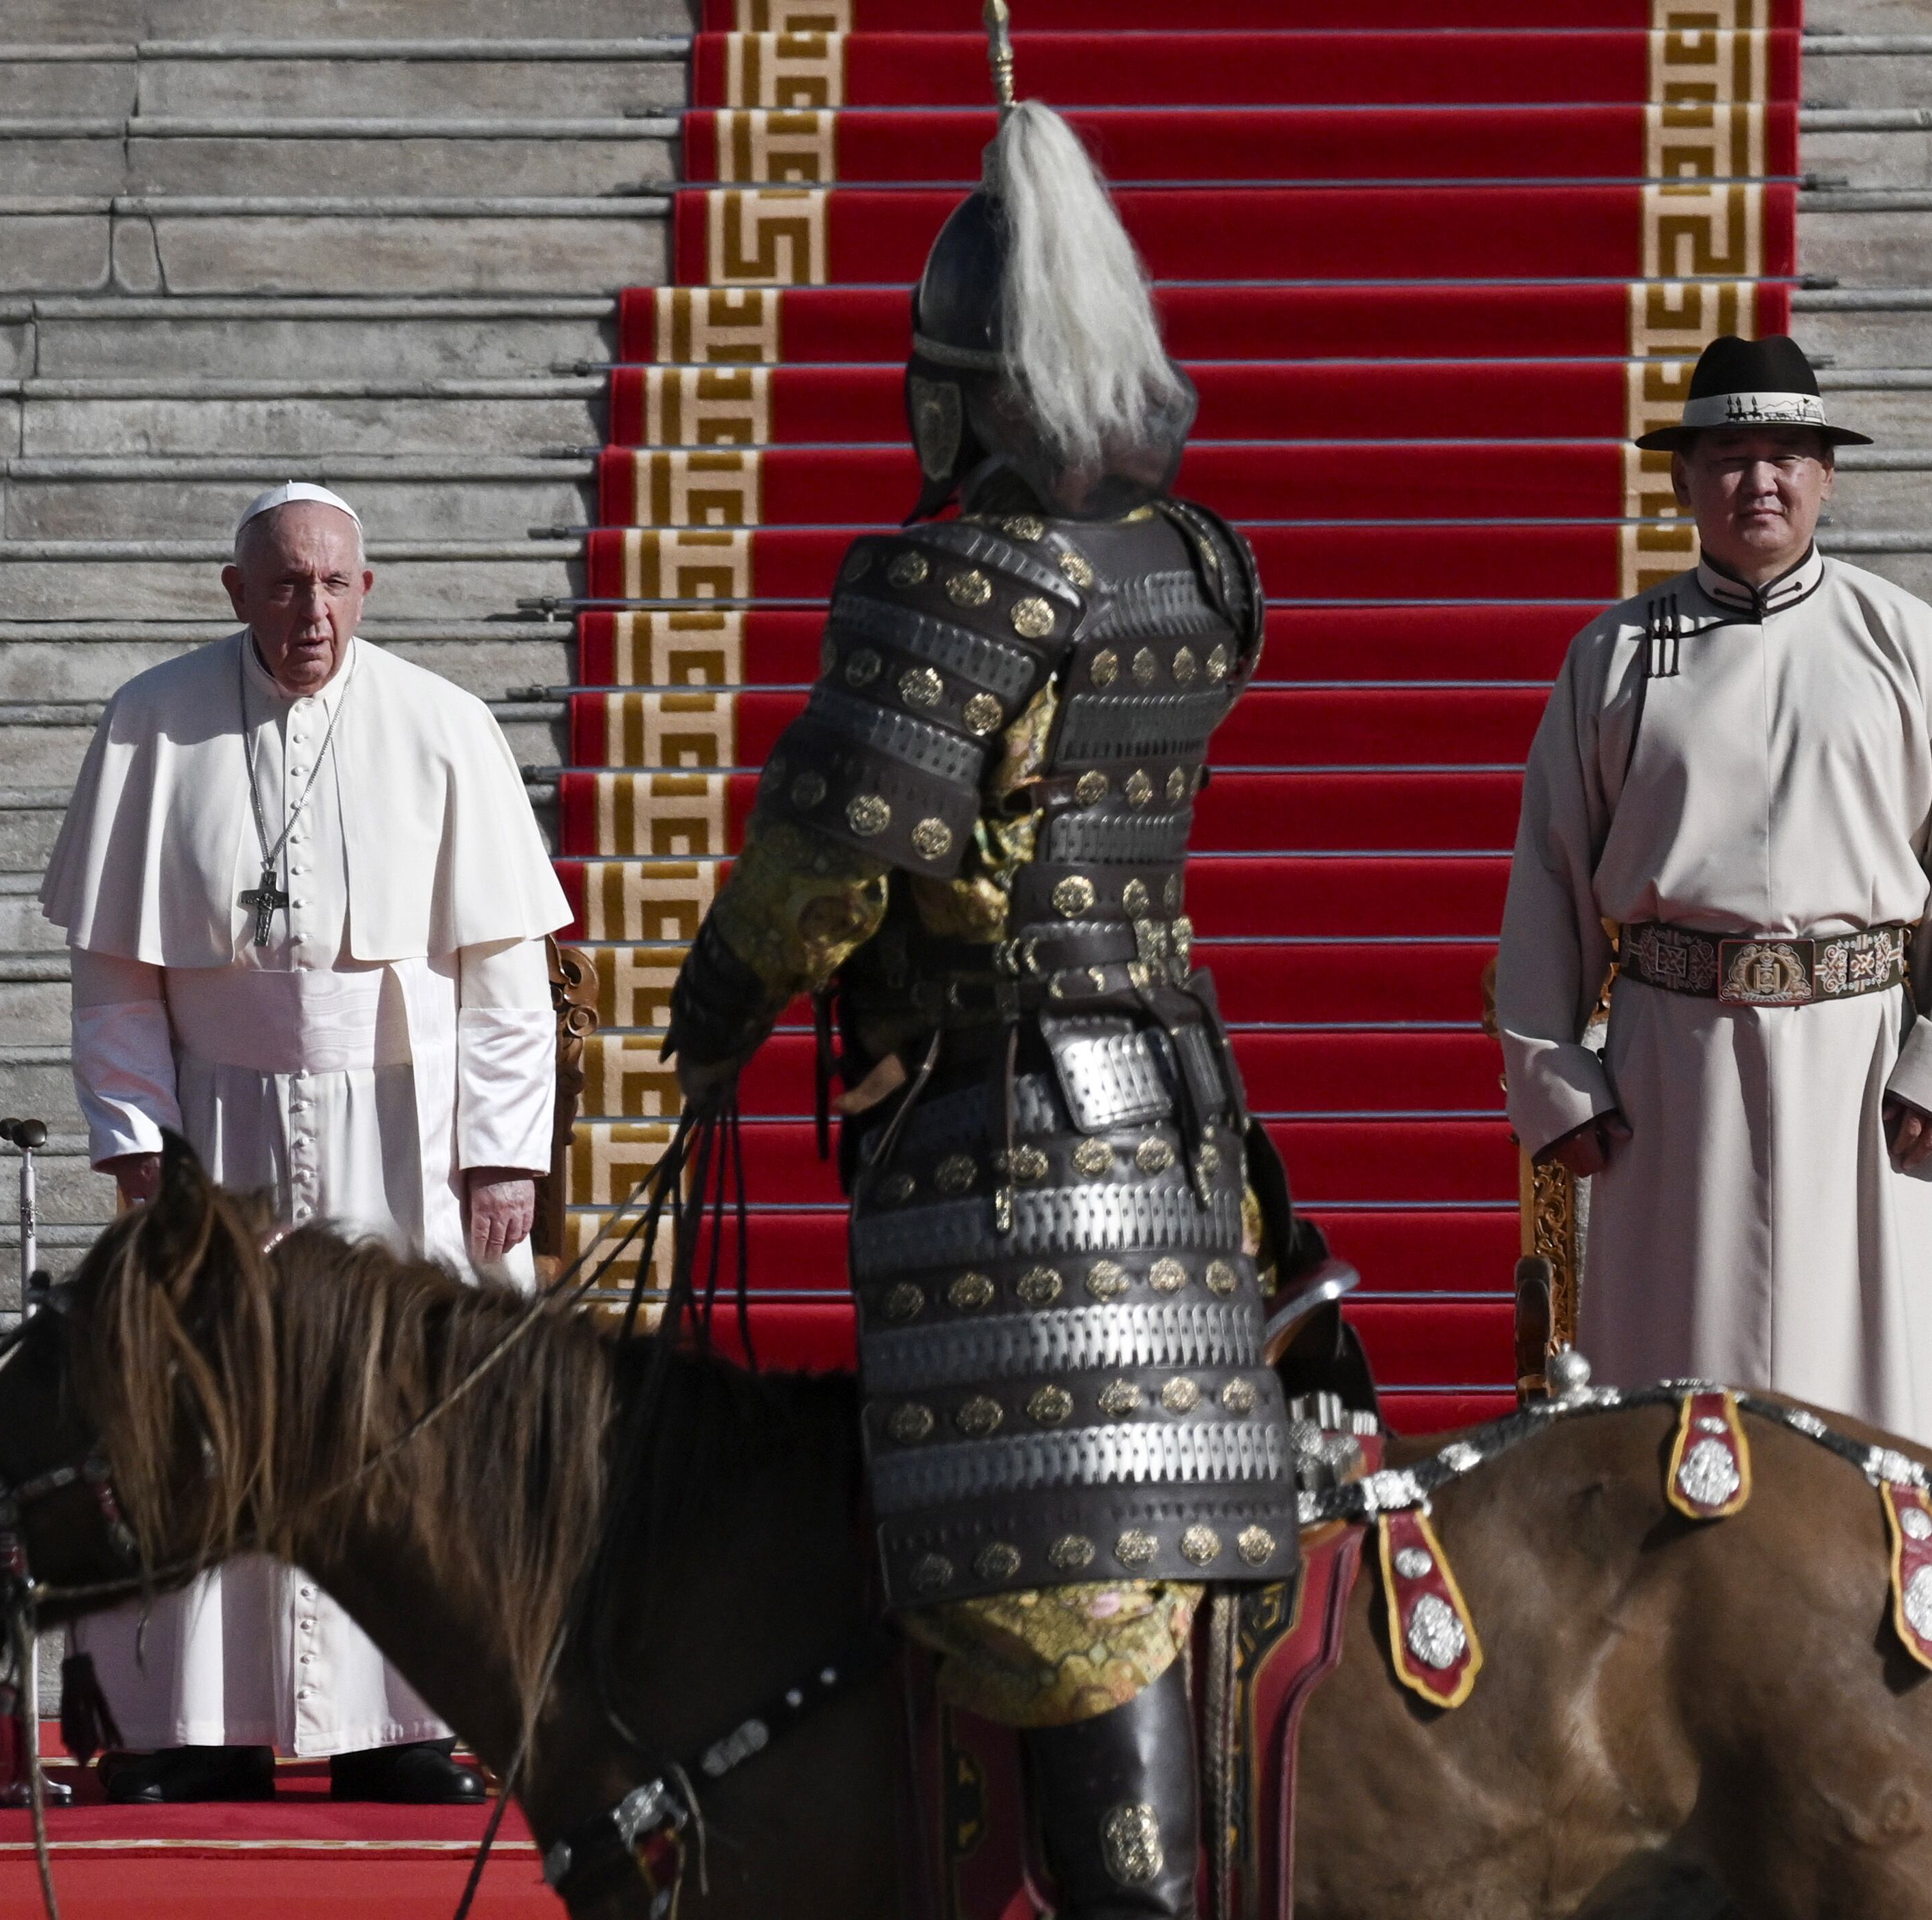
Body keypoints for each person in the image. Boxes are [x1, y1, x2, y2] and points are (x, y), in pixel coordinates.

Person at [659, 102, 1298, 1920]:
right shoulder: (1204, 569)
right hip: (1177, 1134)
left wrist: (717, 1007)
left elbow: (831, 855)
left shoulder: (952, 575)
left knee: (1061, 1541)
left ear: (957, 388)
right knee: (1151, 1528)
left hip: (1013, 1160)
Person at [38, 481, 571, 1803]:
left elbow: (505, 975)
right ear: (236, 593)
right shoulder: (150, 723)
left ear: (368, 590)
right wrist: (133, 1135)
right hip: (215, 1132)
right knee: (204, 1407)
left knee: (399, 1405)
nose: (311, 610)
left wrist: (505, 1151)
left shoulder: (444, 726)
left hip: (403, 1129)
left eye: (334, 584)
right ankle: (197, 1726)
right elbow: (114, 973)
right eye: (284, 585)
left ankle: (404, 1727)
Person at [1494, 335, 1932, 1450]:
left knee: (1868, 1406)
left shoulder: (1907, 643)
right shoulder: (1614, 658)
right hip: (1674, 1077)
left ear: (1829, 474)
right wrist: (1557, 1080)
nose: (1759, 480)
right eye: (1730, 451)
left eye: (1787, 453)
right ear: (1683, 477)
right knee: (1675, 1407)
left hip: (1861, 1074)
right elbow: (1547, 877)